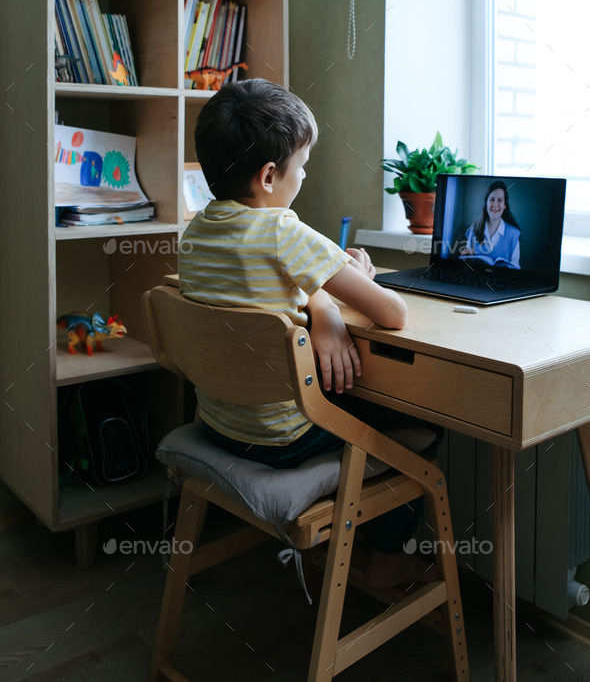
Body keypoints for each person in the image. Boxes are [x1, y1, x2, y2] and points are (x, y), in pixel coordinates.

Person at [178, 79, 444, 589]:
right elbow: (393, 314)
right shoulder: (282, 230)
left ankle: (362, 541)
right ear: (271, 175)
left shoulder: (196, 232)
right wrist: (356, 282)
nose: (304, 175)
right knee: (424, 414)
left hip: (221, 423)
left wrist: (322, 303)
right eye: (302, 164)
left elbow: (267, 291)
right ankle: (387, 555)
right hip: (284, 438)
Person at [460, 180, 521, 269]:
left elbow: (516, 268)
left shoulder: (514, 234)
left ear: (505, 205)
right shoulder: (472, 230)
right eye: (492, 199)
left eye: (500, 200)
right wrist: (465, 259)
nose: (495, 204)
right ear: (486, 203)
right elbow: (467, 265)